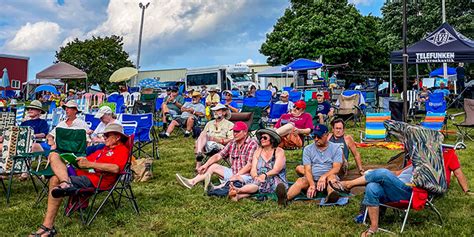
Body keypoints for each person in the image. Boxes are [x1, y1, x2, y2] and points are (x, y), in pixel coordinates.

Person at [30, 123, 130, 237]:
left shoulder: (121, 150)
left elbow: (115, 168)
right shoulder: (103, 150)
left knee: (54, 179)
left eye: (107, 135)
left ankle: (47, 227)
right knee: (53, 155)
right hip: (82, 174)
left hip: (96, 180)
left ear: (117, 137)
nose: (104, 137)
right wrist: (78, 160)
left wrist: (90, 164)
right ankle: (65, 183)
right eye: (104, 135)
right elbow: (87, 162)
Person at [330, 166, 414, 236]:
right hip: (393, 187)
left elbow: (425, 184)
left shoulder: (425, 165)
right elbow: (397, 173)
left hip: (407, 192)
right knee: (371, 186)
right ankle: (374, 227)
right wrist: (374, 173)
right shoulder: (413, 163)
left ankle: (348, 184)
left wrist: (379, 173)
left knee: (383, 173)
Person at [175, 122, 258, 190]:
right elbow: (218, 155)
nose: (235, 134)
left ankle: (215, 188)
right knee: (213, 166)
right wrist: (205, 165)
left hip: (246, 175)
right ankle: (192, 182)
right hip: (233, 171)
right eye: (234, 131)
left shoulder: (252, 144)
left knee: (237, 179)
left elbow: (249, 165)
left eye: (237, 131)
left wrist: (236, 175)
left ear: (245, 132)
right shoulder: (233, 142)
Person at [276, 125, 343, 205]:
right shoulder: (308, 149)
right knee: (300, 181)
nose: (316, 139)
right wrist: (312, 185)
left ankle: (331, 196)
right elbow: (307, 169)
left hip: (328, 176)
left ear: (327, 135)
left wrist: (324, 176)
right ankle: (285, 198)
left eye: (319, 136)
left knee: (332, 179)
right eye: (314, 136)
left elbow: (336, 168)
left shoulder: (336, 148)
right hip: (312, 177)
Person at [228, 128, 287, 201]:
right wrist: (255, 176)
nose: (262, 139)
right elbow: (253, 169)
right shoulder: (258, 151)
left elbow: (276, 170)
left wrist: (264, 175)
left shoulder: (279, 151)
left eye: (265, 137)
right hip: (259, 178)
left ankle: (238, 191)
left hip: (274, 177)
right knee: (257, 183)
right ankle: (237, 194)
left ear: (272, 139)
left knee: (260, 184)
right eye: (261, 138)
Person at [194, 104, 234, 170]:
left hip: (220, 146)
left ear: (224, 112)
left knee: (199, 141)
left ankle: (198, 164)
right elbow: (203, 136)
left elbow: (231, 139)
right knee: (203, 134)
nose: (215, 112)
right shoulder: (209, 123)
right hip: (205, 145)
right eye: (214, 111)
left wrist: (218, 140)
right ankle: (199, 153)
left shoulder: (230, 124)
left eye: (218, 110)